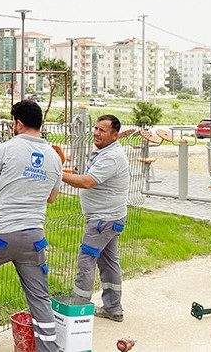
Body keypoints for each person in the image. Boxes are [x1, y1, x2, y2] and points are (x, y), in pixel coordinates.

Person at [0, 100, 63, 352]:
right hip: (33, 237)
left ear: (18, 123)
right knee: (39, 294)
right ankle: (49, 347)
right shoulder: (53, 156)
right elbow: (52, 197)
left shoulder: (7, 149)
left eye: (12, 121)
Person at [61, 114, 130, 322]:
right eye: (96, 128)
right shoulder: (105, 152)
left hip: (103, 221)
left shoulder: (111, 157)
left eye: (102, 130)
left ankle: (78, 310)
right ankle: (113, 308)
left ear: (115, 135)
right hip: (109, 218)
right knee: (109, 263)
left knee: (86, 259)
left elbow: (87, 182)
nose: (96, 133)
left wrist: (56, 172)